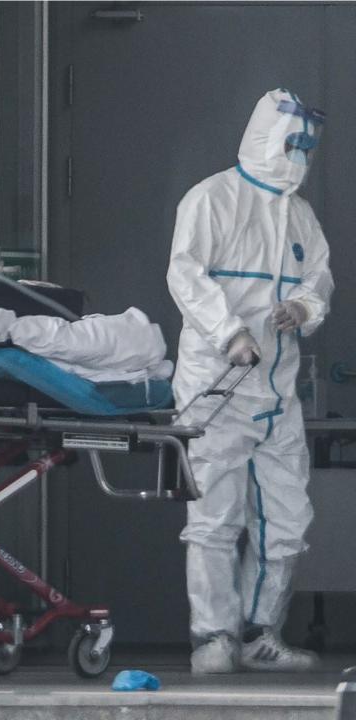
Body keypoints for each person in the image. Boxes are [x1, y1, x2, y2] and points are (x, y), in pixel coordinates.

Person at [167, 89, 333, 674]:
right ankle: (213, 637)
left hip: (277, 391)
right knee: (215, 516)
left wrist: (304, 310)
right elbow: (185, 275)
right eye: (293, 142)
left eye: (307, 145)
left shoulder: (301, 215)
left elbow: (319, 280)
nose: (301, 154)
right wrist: (230, 332)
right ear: (267, 136)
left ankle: (261, 633)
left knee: (287, 520)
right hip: (218, 387)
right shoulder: (212, 199)